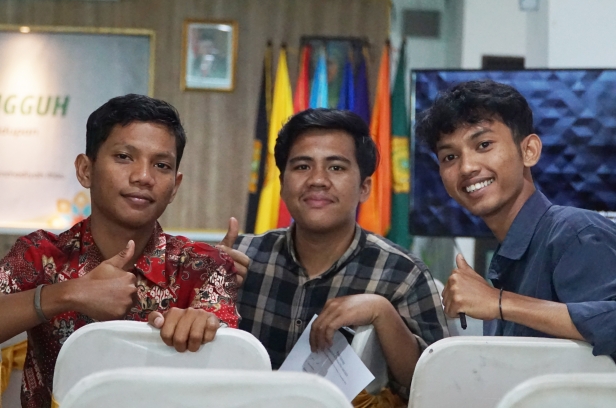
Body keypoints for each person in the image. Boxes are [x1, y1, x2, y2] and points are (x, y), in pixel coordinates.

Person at [0, 94, 245, 407]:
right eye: (124, 157)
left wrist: (200, 327)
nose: (143, 177)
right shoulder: (39, 255)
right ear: (86, 170)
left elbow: (229, 364)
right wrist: (67, 294)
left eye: (161, 165)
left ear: (175, 185)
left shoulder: (203, 266)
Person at [234, 108, 449, 400]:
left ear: (364, 188)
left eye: (336, 168)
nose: (318, 180)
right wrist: (208, 289)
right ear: (282, 184)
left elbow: (437, 385)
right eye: (302, 166)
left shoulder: (403, 275)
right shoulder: (241, 258)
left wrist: (382, 313)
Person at [415, 80, 616, 361]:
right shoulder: (510, 258)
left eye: (484, 144)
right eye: (450, 156)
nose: (467, 167)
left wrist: (498, 302)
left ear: (529, 150)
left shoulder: (573, 232)